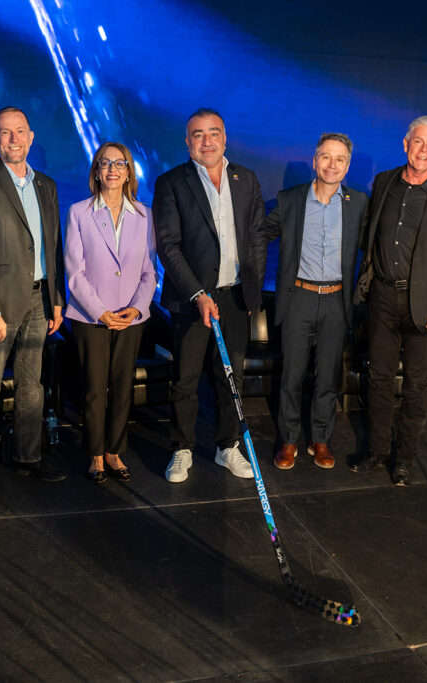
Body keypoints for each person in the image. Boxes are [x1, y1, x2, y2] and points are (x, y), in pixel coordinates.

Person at [351, 115, 427, 486]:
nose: (423, 149)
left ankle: (403, 460)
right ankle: (377, 451)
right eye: (417, 142)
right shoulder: (385, 181)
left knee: (418, 385)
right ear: (406, 144)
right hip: (383, 298)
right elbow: (369, 237)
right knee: (379, 377)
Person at [153, 107, 266, 483]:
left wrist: (251, 292)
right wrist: (198, 294)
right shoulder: (171, 182)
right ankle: (182, 449)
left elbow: (255, 239)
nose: (207, 141)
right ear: (188, 142)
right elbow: (168, 247)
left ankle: (226, 448)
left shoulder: (246, 179)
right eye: (198, 135)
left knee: (228, 378)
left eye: (213, 133)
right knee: (185, 380)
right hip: (191, 300)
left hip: (234, 298)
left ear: (225, 138)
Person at [0, 107, 66, 499]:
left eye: (19, 131)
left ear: (31, 136)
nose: (13, 139)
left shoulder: (47, 186)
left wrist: (58, 300)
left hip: (41, 300)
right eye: (4, 133)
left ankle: (28, 457)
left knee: (31, 386)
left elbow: (52, 248)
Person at [261, 133, 367, 470]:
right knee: (291, 375)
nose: (332, 164)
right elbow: (259, 236)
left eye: (340, 159)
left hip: (337, 300)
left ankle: (320, 439)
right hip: (299, 297)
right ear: (314, 161)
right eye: (326, 157)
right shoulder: (290, 199)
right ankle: (289, 440)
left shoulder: (359, 204)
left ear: (347, 166)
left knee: (327, 378)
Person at [64, 142, 157, 482]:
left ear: (129, 172)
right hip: (91, 318)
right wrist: (101, 312)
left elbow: (150, 272)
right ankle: (95, 454)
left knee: (122, 386)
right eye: (106, 163)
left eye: (120, 163)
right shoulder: (79, 212)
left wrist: (136, 308)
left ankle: (114, 451)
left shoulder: (145, 216)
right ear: (97, 171)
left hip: (131, 317)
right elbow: (74, 273)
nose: (113, 169)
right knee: (93, 387)